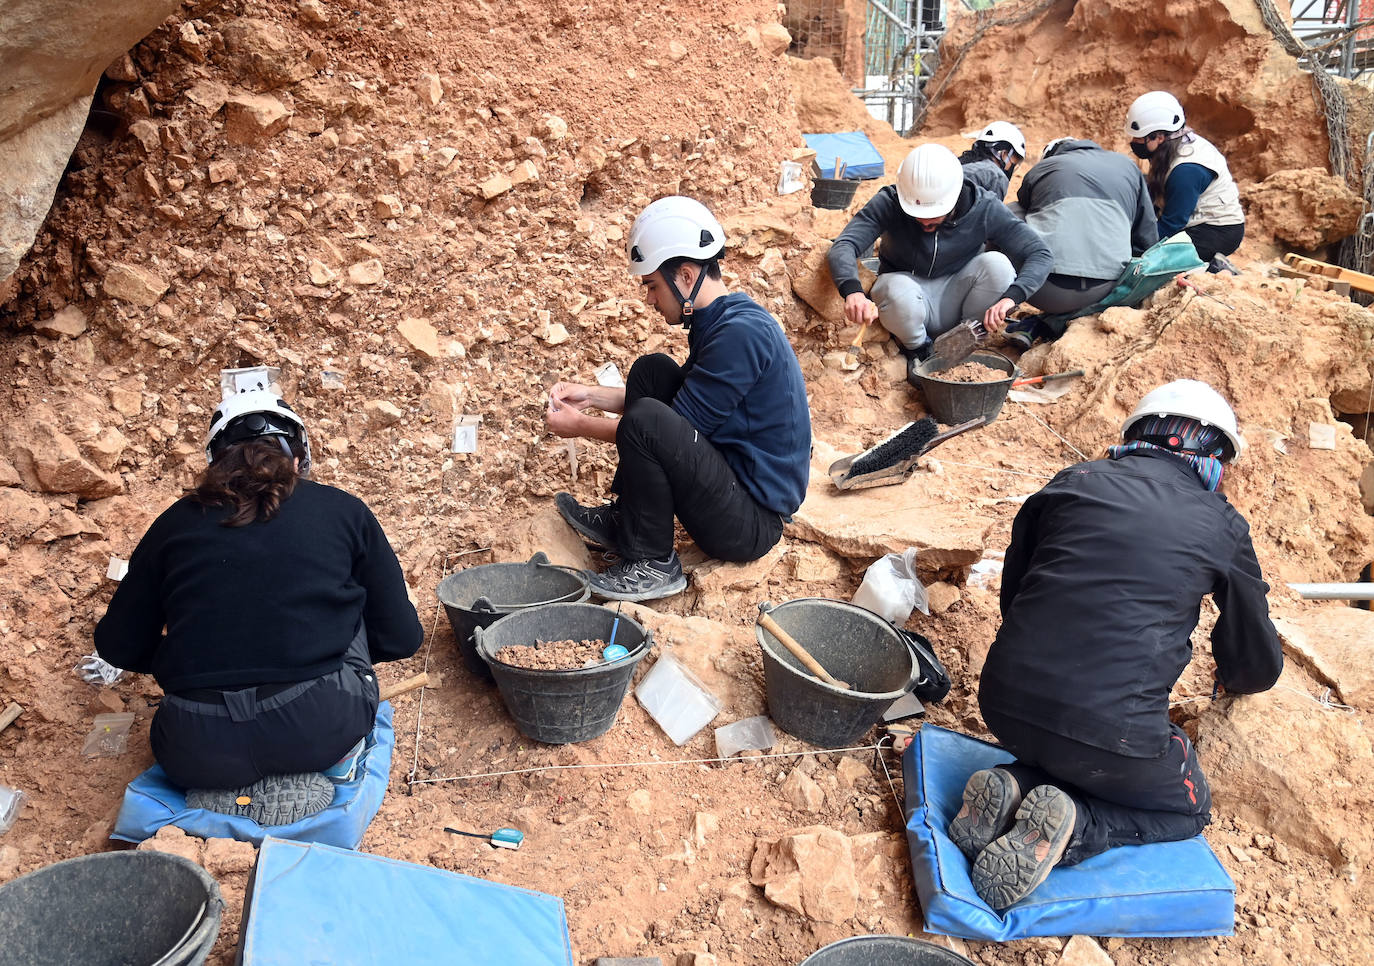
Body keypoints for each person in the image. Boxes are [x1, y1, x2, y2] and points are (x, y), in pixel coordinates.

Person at [950, 380, 1282, 911]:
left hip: (1004, 708)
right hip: (1113, 738)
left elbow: (1016, 599)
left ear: (1135, 435)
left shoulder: (1069, 482)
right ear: (1215, 456)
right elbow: (1255, 661)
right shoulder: (1221, 523)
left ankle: (1014, 784)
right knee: (1188, 809)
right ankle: (1078, 825)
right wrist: (1233, 679)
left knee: (1080, 743)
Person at [95, 389, 422, 791]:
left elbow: (117, 646)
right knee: (348, 603)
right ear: (299, 458)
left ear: (216, 461)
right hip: (319, 731)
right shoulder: (342, 511)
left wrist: (188, 658)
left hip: (194, 749)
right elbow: (402, 637)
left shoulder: (173, 524)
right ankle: (339, 763)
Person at [547, 196, 811, 603]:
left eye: (652, 286)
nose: (650, 299)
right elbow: (678, 413)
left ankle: (652, 561)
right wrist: (589, 394)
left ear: (686, 276)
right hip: (732, 487)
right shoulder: (725, 321)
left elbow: (656, 429)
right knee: (651, 371)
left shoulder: (739, 336)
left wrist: (579, 427)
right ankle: (627, 520)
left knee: (648, 420)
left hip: (749, 524)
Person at [827, 143, 1053, 385]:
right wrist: (852, 292)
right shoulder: (890, 202)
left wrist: (1012, 297)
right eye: (916, 213)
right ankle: (919, 351)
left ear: (954, 197)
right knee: (894, 289)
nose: (924, 221)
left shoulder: (984, 207)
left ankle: (964, 342)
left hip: (958, 296)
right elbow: (844, 245)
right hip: (907, 301)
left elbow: (1039, 253)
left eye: (933, 214)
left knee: (998, 266)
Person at [1001, 137, 1159, 349]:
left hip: (1041, 291)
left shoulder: (1044, 167)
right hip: (1107, 292)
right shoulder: (1128, 166)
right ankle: (1051, 322)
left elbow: (1025, 204)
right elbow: (1147, 237)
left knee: (1012, 213)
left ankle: (997, 303)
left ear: (1052, 155)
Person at [1124, 91, 1245, 274]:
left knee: (1154, 262)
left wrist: (1133, 246)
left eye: (1139, 138)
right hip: (1194, 219)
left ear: (1159, 137)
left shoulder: (1186, 171)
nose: (1134, 142)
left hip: (1217, 231)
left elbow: (1171, 225)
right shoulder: (1169, 148)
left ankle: (1212, 269)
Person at [958, 121, 1027, 200]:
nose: (1011, 168)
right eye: (1012, 163)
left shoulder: (958, 163)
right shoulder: (996, 177)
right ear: (1004, 154)